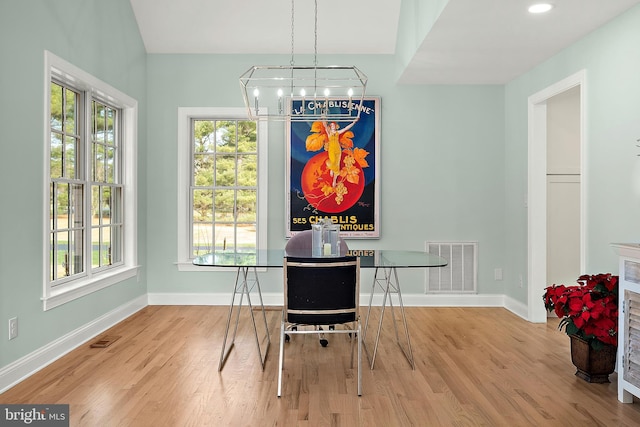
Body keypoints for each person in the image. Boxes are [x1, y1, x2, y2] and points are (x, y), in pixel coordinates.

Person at [323, 120, 356, 187]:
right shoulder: (329, 132)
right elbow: (325, 125)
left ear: (335, 126)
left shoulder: (338, 132)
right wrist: (323, 117)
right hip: (331, 150)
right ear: (330, 126)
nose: (333, 126)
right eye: (331, 125)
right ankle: (332, 169)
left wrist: (353, 122)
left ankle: (334, 180)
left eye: (334, 125)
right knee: (332, 161)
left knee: (337, 165)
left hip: (338, 150)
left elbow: (346, 128)